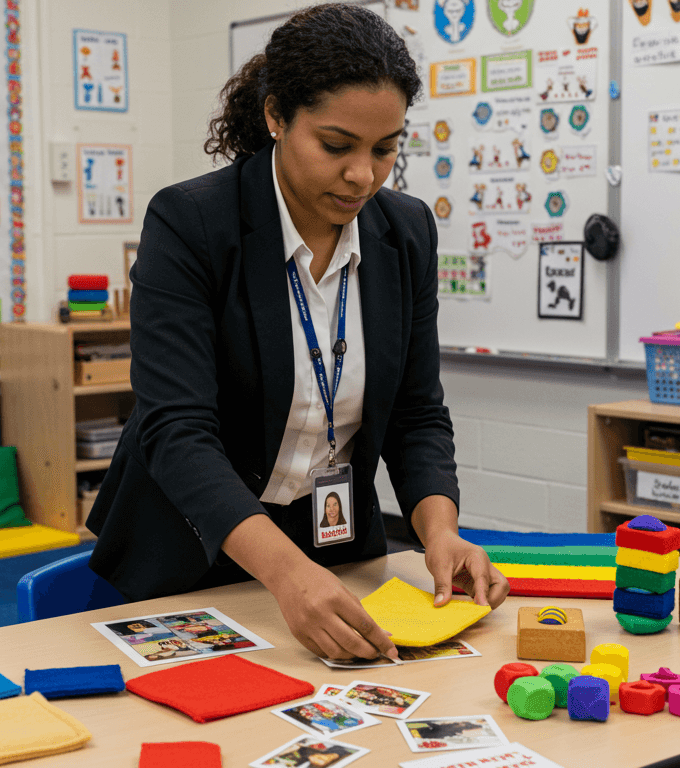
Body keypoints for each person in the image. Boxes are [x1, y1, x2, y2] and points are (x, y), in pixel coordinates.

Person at [86, 3, 508, 662]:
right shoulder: (191, 223)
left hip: (335, 555)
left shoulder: (405, 233)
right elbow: (177, 431)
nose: (363, 175)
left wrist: (440, 531)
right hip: (192, 553)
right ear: (277, 117)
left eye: (386, 149)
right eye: (337, 146)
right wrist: (285, 575)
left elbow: (416, 412)